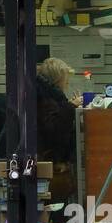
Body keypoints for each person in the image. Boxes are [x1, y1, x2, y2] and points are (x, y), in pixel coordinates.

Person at [36, 58, 78, 205]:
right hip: (51, 165)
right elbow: (54, 131)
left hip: (51, 162)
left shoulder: (45, 95)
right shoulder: (47, 98)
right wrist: (69, 107)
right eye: (65, 78)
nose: (67, 83)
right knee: (53, 206)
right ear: (58, 78)